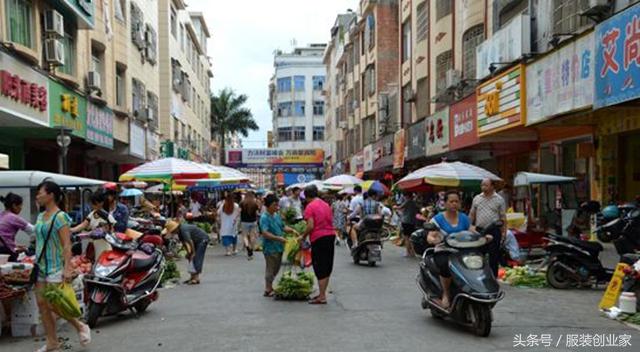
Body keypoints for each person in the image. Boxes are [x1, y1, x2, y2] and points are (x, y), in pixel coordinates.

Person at [33, 181, 91, 352]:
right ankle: (52, 341)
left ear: (50, 195)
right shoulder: (40, 216)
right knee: (42, 304)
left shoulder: (60, 217)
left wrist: (67, 268)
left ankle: (80, 326)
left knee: (55, 303)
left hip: (56, 266)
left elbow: (67, 245)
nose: (37, 196)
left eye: (40, 192)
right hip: (40, 266)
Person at [426, 191, 474, 309]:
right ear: (445, 203)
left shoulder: (464, 218)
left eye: (456, 201)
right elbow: (430, 235)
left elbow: (472, 230)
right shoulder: (437, 219)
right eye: (451, 201)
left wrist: (484, 237)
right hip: (444, 250)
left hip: (463, 251)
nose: (454, 204)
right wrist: (433, 239)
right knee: (445, 265)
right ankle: (446, 294)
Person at [300, 185, 335, 305]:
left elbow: (310, 225)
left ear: (306, 196)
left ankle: (322, 296)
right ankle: (322, 294)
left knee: (319, 266)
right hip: (330, 235)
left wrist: (303, 236)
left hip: (319, 238)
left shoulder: (310, 206)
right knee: (327, 265)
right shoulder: (326, 204)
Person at [259, 194, 298, 297]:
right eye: (274, 205)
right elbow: (265, 233)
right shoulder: (264, 217)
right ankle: (268, 288)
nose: (277, 207)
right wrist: (278, 238)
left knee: (276, 268)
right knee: (270, 268)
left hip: (279, 246)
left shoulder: (276, 216)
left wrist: (292, 230)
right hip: (270, 247)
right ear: (268, 205)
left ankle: (270, 286)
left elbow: (282, 227)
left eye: (277, 205)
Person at [469, 178, 507, 277]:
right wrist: (469, 226)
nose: (483, 187)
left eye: (485, 185)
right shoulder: (477, 198)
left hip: (494, 230)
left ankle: (493, 277)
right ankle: (479, 276)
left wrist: (504, 232)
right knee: (478, 254)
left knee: (493, 255)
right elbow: (472, 214)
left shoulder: (499, 199)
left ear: (492, 186)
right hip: (479, 230)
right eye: (482, 185)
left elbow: (503, 217)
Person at [70, 191, 116, 260]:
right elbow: (83, 225)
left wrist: (95, 233)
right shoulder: (92, 214)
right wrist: (71, 230)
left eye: (95, 204)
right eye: (93, 204)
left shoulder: (108, 217)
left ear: (101, 203)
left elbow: (110, 231)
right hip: (93, 245)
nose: (93, 206)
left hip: (104, 245)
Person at [163, 220, 210, 284]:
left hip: (202, 239)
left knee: (197, 257)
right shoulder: (179, 232)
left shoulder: (183, 230)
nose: (173, 232)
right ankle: (192, 277)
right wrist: (188, 253)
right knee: (191, 257)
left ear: (175, 228)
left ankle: (196, 278)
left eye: (173, 231)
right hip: (196, 241)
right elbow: (184, 243)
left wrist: (193, 252)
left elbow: (189, 241)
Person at [0, 193, 34, 261]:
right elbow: (33, 230)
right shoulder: (13, 217)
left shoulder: (1, 215)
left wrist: (14, 246)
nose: (21, 208)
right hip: (5, 252)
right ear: (14, 205)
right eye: (21, 205)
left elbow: (4, 235)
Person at [395, 192, 419, 257]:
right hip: (413, 221)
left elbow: (400, 207)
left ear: (407, 196)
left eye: (405, 196)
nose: (404, 197)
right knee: (411, 237)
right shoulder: (414, 203)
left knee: (406, 237)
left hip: (406, 221)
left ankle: (408, 253)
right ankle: (413, 253)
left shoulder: (408, 201)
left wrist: (395, 207)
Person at [239, 191, 260, 260]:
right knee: (252, 236)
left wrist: (237, 219)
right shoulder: (255, 203)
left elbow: (239, 211)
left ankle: (248, 247)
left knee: (244, 236)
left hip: (244, 221)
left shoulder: (242, 203)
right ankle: (251, 248)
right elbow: (257, 213)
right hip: (253, 221)